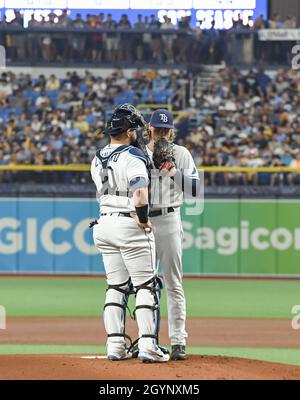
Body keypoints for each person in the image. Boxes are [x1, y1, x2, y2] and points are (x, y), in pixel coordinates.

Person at [91, 104, 169, 363]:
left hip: (103, 224)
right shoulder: (133, 156)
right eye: (134, 128)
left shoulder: (97, 156)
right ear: (127, 131)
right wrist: (144, 219)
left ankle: (115, 345)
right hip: (128, 223)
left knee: (115, 286)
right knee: (146, 285)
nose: (136, 132)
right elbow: (140, 194)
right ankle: (148, 345)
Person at [145, 109, 200, 360]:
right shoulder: (138, 153)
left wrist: (172, 170)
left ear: (172, 130)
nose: (161, 133)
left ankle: (178, 341)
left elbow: (195, 190)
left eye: (165, 130)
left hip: (168, 218)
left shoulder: (181, 154)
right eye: (157, 129)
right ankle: (148, 340)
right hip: (143, 221)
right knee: (144, 285)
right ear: (149, 128)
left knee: (173, 283)